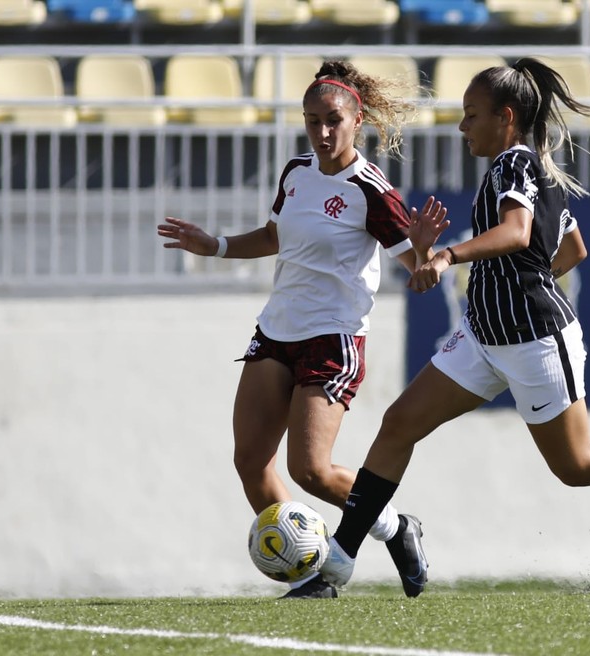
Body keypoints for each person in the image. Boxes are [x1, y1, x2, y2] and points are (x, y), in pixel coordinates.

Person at [318, 57, 590, 590]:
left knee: (578, 467)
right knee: (400, 423)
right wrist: (519, 280)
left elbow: (519, 233)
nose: (462, 127)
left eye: (471, 115)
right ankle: (339, 559)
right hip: (483, 336)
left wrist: (451, 257)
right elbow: (574, 248)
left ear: (507, 117)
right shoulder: (531, 168)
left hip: (536, 341)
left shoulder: (513, 165)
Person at [157, 60, 441, 599]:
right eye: (312, 121)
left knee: (310, 470)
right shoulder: (295, 172)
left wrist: (425, 249)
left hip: (333, 339)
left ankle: (397, 528)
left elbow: (419, 275)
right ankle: (313, 576)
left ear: (358, 120)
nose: (323, 132)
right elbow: (274, 235)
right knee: (250, 462)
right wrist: (213, 245)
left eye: (332, 120)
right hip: (276, 332)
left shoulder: (373, 191)